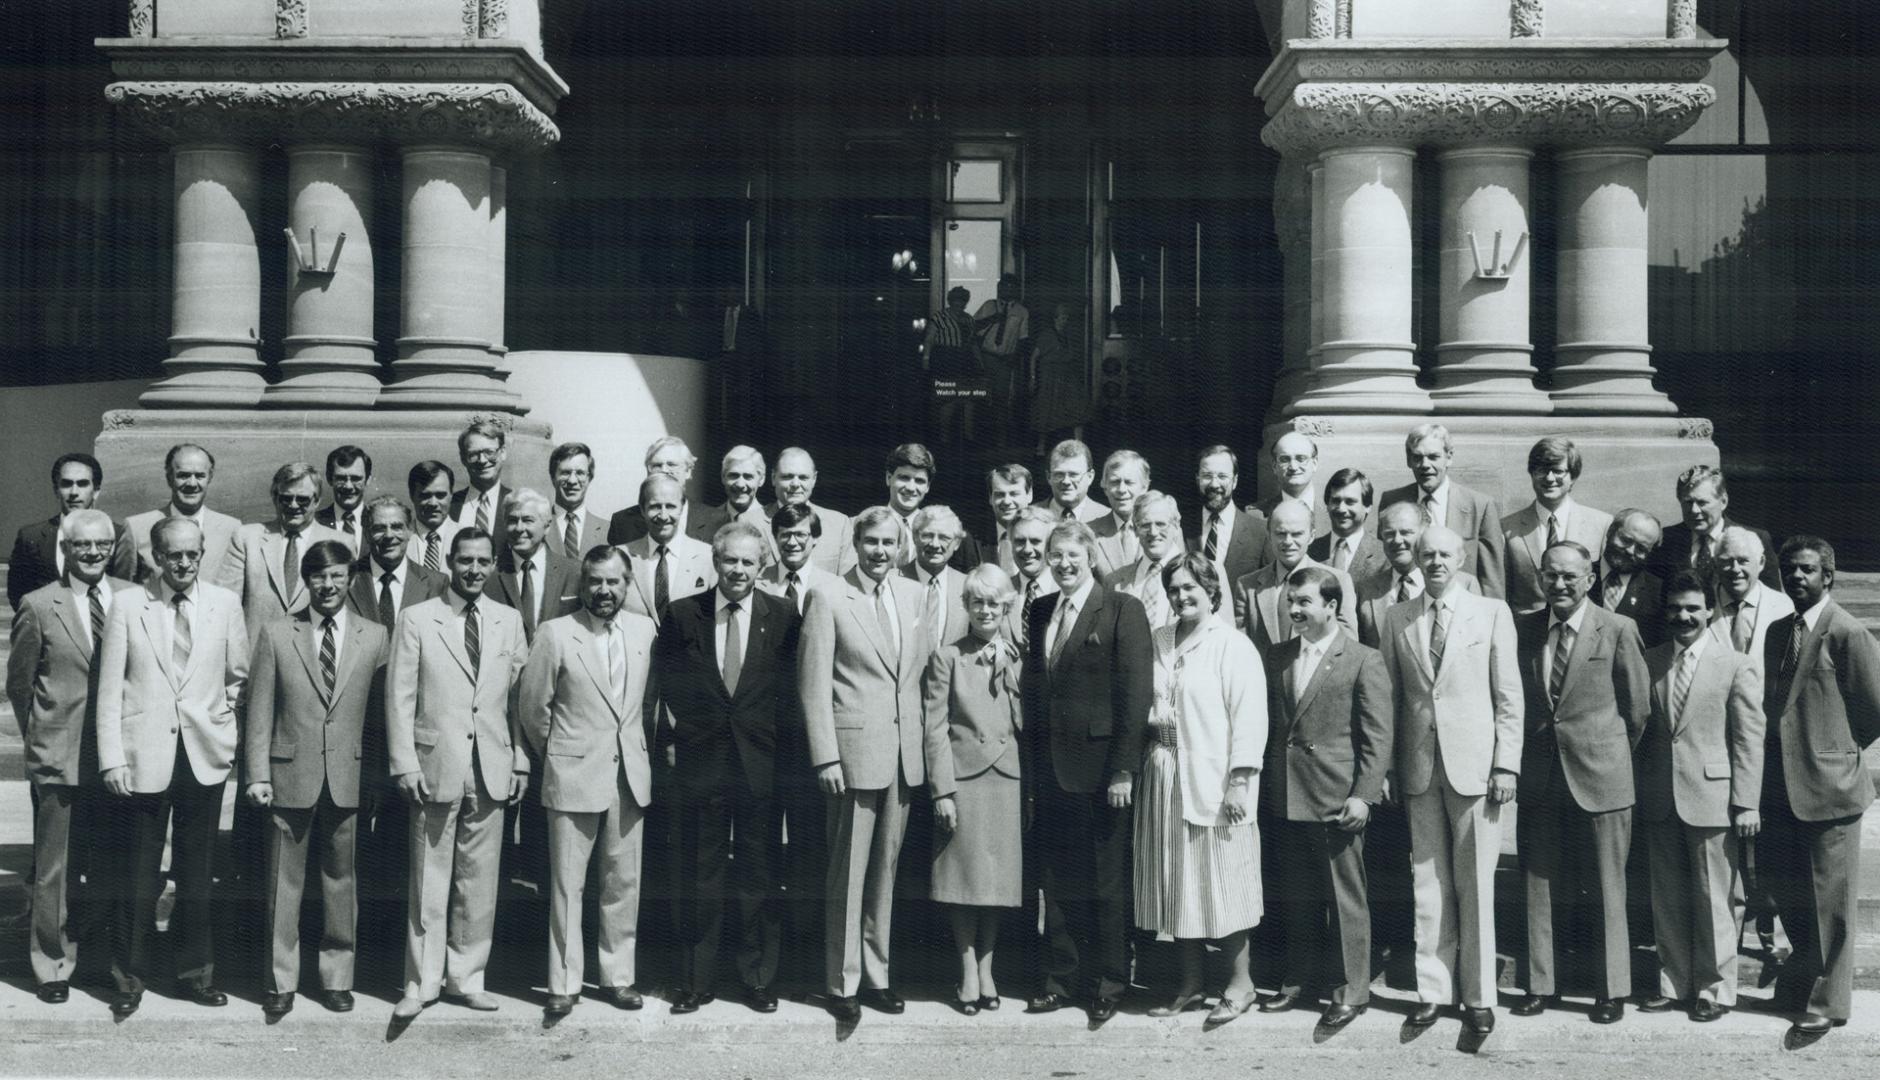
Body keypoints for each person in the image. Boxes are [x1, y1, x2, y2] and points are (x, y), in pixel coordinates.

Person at [95, 516, 249, 1018]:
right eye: (172, 555)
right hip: (143, 756)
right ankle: (129, 977)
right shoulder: (128, 605)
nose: (183, 563)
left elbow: (237, 676)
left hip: (203, 756)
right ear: (154, 556)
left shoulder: (225, 605)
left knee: (198, 874)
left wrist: (223, 726)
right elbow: (110, 689)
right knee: (137, 875)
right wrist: (112, 756)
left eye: (192, 554)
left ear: (202, 553)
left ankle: (194, 975)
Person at [1376, 525, 1520, 1035]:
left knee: (1476, 884)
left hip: (1476, 769)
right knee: (1428, 884)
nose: (1435, 561)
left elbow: (1508, 696)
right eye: (1426, 553)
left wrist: (1506, 764)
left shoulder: (1492, 612)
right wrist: (1389, 766)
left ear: (1461, 559)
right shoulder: (1398, 617)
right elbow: (1390, 699)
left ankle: (1479, 997)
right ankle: (1434, 990)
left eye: (1444, 553)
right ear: (1415, 557)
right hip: (1419, 767)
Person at [798, 507, 936, 1021]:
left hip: (903, 757)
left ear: (901, 547)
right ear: (855, 544)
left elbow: (918, 679)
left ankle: (877, 974)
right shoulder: (828, 595)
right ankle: (842, 981)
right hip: (851, 758)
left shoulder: (915, 596)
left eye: (888, 543)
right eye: (871, 541)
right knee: (848, 873)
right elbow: (812, 684)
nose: (880, 551)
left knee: (885, 872)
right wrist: (825, 755)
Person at [658, 523, 802, 1014]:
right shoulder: (682, 615)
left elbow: (790, 692)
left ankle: (757, 978)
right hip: (704, 765)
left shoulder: (783, 615)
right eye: (729, 561)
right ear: (714, 563)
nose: (738, 570)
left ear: (762, 566)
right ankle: (696, 981)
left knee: (758, 874)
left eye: (748, 562)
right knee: (701, 873)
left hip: (762, 765)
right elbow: (671, 684)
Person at [386, 527, 528, 1021]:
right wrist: (403, 761)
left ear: (493, 566)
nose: (473, 569)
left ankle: (466, 978)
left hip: (491, 767)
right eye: (464, 560)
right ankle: (420, 983)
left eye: (483, 561)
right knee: (429, 877)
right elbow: (400, 698)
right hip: (433, 765)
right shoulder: (418, 619)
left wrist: (521, 761)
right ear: (449, 561)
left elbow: (518, 701)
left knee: (478, 881)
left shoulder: (510, 620)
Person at [244, 539, 388, 1018]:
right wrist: (257, 773)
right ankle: (280, 980)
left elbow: (378, 718)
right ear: (306, 581)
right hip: (289, 774)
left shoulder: (374, 635)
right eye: (319, 577)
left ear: (351, 580)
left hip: (348, 774)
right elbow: (259, 708)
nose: (328, 586)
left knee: (340, 882)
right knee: (283, 883)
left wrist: (375, 778)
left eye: (338, 576)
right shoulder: (277, 633)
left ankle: (336, 977)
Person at [1510, 541, 1649, 1025]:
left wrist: (1605, 755)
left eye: (1570, 576)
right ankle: (1540, 984)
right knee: (1538, 883)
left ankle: (1611, 991)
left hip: (1602, 777)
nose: (1560, 584)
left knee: (1608, 887)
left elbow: (1637, 711)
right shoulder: (1524, 628)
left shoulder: (1617, 629)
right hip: (1542, 778)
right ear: (1540, 579)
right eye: (1551, 575)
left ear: (1590, 578)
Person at [518, 545, 657, 1018]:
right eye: (595, 581)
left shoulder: (645, 632)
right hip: (573, 773)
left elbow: (649, 705)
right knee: (566, 886)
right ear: (583, 584)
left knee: (622, 883)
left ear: (627, 583)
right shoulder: (556, 633)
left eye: (613, 581)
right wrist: (562, 754)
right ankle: (563, 981)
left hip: (629, 777)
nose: (604, 590)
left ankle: (618, 977)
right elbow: (533, 709)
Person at [1023, 520, 1152, 1024]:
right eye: (1055, 555)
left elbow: (1135, 696)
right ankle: (1060, 979)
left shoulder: (1122, 609)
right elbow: (1037, 693)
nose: (1064, 563)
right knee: (1056, 882)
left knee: (1105, 881)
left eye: (1073, 554)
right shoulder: (1038, 611)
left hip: (1102, 774)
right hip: (1051, 773)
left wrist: (1123, 769)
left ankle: (1109, 981)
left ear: (1090, 554)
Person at [6, 510, 134, 1003]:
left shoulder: (132, 597)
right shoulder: (40, 605)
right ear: (66, 547)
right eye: (83, 545)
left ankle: (99, 957)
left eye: (102, 544)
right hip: (59, 753)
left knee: (107, 863)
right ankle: (52, 965)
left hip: (117, 756)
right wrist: (42, 737)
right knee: (55, 867)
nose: (94, 553)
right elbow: (20, 684)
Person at [1132, 553, 1265, 1024]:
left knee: (1221, 882)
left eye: (1191, 587)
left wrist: (1239, 783)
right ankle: (1190, 983)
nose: (1182, 596)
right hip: (1163, 773)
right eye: (1174, 589)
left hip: (1214, 778)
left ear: (1212, 591)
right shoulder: (1158, 641)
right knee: (1176, 883)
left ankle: (1240, 984)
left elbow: (1250, 720)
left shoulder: (1232, 645)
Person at [1758, 537, 1880, 1037]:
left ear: (1828, 576)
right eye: (1789, 570)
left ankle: (1830, 1005)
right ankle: (1800, 980)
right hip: (1782, 789)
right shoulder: (1776, 632)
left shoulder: (1848, 633)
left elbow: (1872, 709)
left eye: (1807, 570)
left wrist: (1835, 753)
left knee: (1833, 904)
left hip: (1830, 788)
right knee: (1792, 896)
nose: (1797, 578)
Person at [1261, 565, 1391, 1028]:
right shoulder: (1275, 656)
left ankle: (1351, 990)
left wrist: (1364, 796)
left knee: (1345, 898)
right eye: (1290, 602)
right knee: (1297, 897)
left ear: (1332, 606)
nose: (1294, 610)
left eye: (1304, 603)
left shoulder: (1362, 659)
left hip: (1338, 799)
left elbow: (1377, 738)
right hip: (1288, 797)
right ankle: (1299, 982)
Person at [1635, 571, 1764, 1022]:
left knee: (1715, 898)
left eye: (1693, 607)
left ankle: (1715, 989)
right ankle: (1674, 983)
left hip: (1713, 796)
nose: (1683, 616)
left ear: (1710, 610)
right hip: (1658, 795)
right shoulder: (1649, 661)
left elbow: (1749, 739)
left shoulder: (1735, 664)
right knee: (1666, 896)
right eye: (1675, 608)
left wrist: (1747, 801)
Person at [924, 564, 1026, 1015]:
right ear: (965, 606)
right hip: (963, 780)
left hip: (1007, 779)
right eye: (978, 602)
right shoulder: (947, 657)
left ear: (1007, 607)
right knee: (962, 881)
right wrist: (941, 790)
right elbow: (934, 728)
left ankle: (988, 967)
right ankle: (966, 967)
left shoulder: (1020, 657)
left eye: (995, 602)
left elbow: (1028, 725)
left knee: (998, 884)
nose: (986, 610)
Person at [1377, 424, 1506, 599]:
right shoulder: (1392, 501)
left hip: (1460, 608)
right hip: (1406, 604)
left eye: (1433, 457)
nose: (1425, 465)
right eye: (1417, 457)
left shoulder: (1479, 506)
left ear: (1449, 457)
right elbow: (1384, 564)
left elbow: (1492, 580)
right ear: (1408, 460)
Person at [220, 462, 347, 638]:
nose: (293, 506)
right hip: (257, 658)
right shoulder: (246, 538)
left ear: (317, 501)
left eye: (302, 499)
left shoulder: (340, 542)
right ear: (274, 498)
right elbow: (224, 607)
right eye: (285, 498)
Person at [9, 452, 136, 610]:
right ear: (56, 490)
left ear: (96, 491)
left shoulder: (118, 535)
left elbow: (125, 590)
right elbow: (19, 594)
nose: (74, 492)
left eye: (82, 484)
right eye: (66, 484)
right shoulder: (31, 537)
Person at [1501, 437, 1613, 616]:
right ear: (1531, 474)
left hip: (1582, 631)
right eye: (1541, 470)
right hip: (1528, 634)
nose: (1549, 478)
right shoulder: (1507, 528)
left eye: (1558, 471)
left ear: (1573, 477)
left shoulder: (1602, 525)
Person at [1232, 501, 1355, 654]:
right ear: (1269, 535)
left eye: (1297, 534)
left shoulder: (1338, 580)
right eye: (1281, 533)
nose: (1288, 542)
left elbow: (1347, 646)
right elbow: (1240, 647)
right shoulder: (1247, 586)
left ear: (1311, 536)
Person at [1354, 501, 1481, 649]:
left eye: (1406, 532)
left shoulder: (1464, 584)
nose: (1397, 540)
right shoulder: (1365, 591)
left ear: (1424, 533)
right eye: (1389, 533)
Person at [1647, 465, 1779, 593]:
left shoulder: (1755, 538)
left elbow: (1772, 597)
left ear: (1723, 502)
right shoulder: (1666, 540)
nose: (1694, 510)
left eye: (1702, 502)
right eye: (1688, 502)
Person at [124, 444, 241, 586]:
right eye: (183, 475)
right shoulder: (137, 528)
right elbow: (124, 589)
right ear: (169, 478)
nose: (192, 483)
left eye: (199, 476)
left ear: (209, 478)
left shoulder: (232, 529)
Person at [483, 488, 582, 645]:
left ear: (547, 527)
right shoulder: (490, 573)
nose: (519, 528)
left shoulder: (575, 572)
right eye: (512, 520)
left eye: (528, 520)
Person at [1191, 445, 1270, 627]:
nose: (1214, 484)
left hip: (1241, 635)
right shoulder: (1181, 527)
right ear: (1197, 479)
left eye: (1222, 476)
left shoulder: (1260, 532)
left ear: (1234, 481)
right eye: (1207, 476)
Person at [621, 473, 716, 621]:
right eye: (655, 506)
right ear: (642, 509)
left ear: (682, 508)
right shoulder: (620, 556)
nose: (663, 516)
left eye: (670, 506)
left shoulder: (708, 557)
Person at [876, 443, 982, 570]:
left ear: (927, 487)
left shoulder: (952, 535)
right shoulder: (861, 527)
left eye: (919, 481)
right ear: (888, 478)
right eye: (904, 478)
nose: (911, 488)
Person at [347, 496, 448, 627]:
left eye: (396, 527)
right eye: (379, 528)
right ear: (366, 533)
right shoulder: (346, 579)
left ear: (410, 530)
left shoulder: (437, 584)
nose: (389, 535)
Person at [1102, 490, 1184, 629]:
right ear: (1135, 530)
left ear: (1176, 527)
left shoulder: (1203, 573)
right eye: (1145, 525)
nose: (1153, 532)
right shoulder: (1114, 581)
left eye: (1160, 524)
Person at [767, 447, 855, 575]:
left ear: (814, 479)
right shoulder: (749, 522)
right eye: (787, 476)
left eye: (803, 477)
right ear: (773, 478)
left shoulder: (839, 524)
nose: (795, 484)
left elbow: (848, 582)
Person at [1711, 526, 1794, 661]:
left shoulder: (1783, 607)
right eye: (1726, 561)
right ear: (1715, 565)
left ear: (1761, 562)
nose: (1735, 569)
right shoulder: (1700, 605)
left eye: (1743, 561)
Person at [689, 446, 780, 565]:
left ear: (761, 479)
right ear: (723, 477)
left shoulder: (775, 522)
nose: (740, 484)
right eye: (733, 475)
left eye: (748, 476)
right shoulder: (706, 521)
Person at [607, 436, 698, 546]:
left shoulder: (716, 520)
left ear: (688, 471)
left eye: (672, 465)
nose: (664, 470)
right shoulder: (623, 523)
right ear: (647, 471)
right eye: (657, 465)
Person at [1595, 509, 1667, 646]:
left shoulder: (1658, 593)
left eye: (1641, 548)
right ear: (1610, 532)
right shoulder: (1577, 576)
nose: (1630, 551)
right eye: (1625, 540)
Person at [905, 505, 970, 654]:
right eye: (927, 535)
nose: (935, 544)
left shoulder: (967, 585)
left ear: (957, 543)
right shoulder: (892, 580)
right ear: (915, 537)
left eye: (944, 537)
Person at [1256, 432, 1329, 563]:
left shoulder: (1332, 516)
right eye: (1285, 459)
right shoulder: (1256, 515)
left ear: (1315, 463)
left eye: (1301, 458)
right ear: (1274, 466)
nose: (1293, 467)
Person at [1308, 467, 1386, 584]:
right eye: (1335, 501)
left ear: (1367, 506)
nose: (1341, 509)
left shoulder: (1384, 555)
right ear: (1327, 505)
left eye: (1350, 502)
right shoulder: (1309, 551)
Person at [759, 503, 837, 616]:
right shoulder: (756, 581)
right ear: (775, 538)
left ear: (815, 538)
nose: (792, 542)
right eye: (785, 535)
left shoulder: (833, 585)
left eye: (800, 535)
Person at [1001, 507, 1059, 647]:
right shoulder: (1001, 591)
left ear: (1051, 545)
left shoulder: (1066, 590)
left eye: (1035, 541)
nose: (1027, 550)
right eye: (1020, 541)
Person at [1029, 302, 1087, 442]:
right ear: (1055, 317)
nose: (1065, 319)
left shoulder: (1068, 334)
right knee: (1046, 410)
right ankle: (1040, 447)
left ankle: (1079, 443)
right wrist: (1033, 377)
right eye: (1062, 316)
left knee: (1077, 408)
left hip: (1066, 375)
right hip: (1049, 376)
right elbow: (1034, 357)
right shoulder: (1046, 334)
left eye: (1066, 316)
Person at [1091, 450, 1148, 578]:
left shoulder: (1167, 531)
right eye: (1115, 482)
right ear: (1105, 487)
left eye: (1129, 482)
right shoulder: (1089, 533)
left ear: (1144, 487)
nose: (1122, 490)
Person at [450, 420, 510, 542]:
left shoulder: (516, 503)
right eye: (473, 454)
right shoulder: (449, 504)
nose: (482, 460)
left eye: (489, 452)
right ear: (463, 458)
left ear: (502, 453)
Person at [547, 441, 608, 560]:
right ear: (553, 477)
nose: (572, 481)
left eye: (580, 473)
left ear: (589, 478)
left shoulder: (609, 531)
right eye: (565, 473)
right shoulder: (536, 526)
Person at [406, 461, 461, 575]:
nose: (433, 503)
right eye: (425, 496)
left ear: (451, 495)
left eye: (440, 495)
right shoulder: (399, 539)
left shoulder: (466, 538)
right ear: (412, 496)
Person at [315, 445, 371, 556]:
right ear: (329, 479)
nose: (348, 486)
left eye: (356, 479)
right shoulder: (315, 522)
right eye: (341, 478)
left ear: (367, 480)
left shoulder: (377, 522)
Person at [1037, 439, 1106, 523]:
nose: (1066, 481)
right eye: (1059, 474)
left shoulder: (1108, 518)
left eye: (1074, 474)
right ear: (1048, 477)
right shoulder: (1028, 518)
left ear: (1090, 477)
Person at [983, 463, 1035, 574]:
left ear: (1029, 495)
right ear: (990, 497)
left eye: (1014, 494)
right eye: (1000, 494)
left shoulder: (1045, 536)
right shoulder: (972, 542)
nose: (1006, 501)